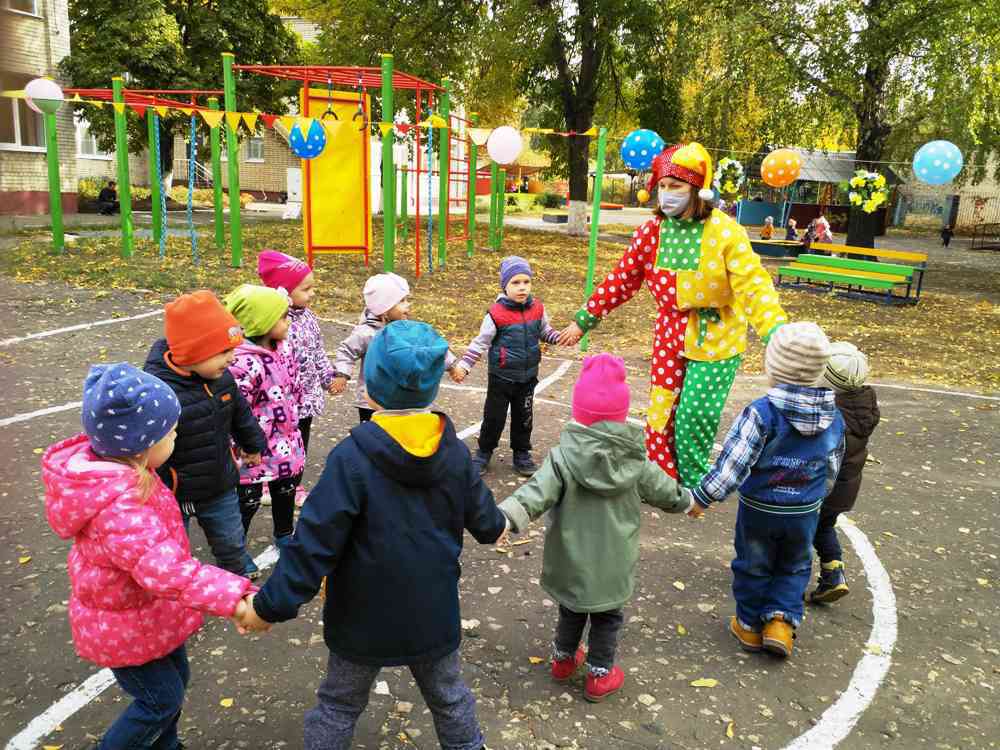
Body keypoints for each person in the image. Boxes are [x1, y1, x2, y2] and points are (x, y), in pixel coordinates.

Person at [234, 320, 508, 750]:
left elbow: (313, 544)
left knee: (340, 704)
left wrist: (270, 606)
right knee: (450, 699)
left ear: (372, 388)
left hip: (362, 617)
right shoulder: (453, 453)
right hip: (431, 612)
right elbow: (488, 522)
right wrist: (503, 523)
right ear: (434, 385)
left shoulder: (352, 459)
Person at [43, 363, 253, 750]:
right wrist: (234, 600)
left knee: (173, 686)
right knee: (159, 700)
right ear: (142, 444)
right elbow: (166, 568)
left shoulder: (130, 471)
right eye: (171, 432)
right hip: (123, 627)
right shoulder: (119, 505)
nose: (177, 437)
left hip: (148, 615)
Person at [556, 143, 788, 488]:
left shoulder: (726, 233)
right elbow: (622, 279)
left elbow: (754, 286)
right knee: (660, 410)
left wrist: (777, 335)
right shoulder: (652, 232)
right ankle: (662, 480)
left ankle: (694, 486)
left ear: (697, 190)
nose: (666, 195)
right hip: (669, 331)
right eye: (662, 186)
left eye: (676, 186)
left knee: (695, 414)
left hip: (717, 334)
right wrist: (583, 320)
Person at [499, 354, 697, 702]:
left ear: (579, 413)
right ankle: (600, 675)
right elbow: (665, 491)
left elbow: (535, 493)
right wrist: (688, 502)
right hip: (614, 562)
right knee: (608, 617)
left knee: (572, 609)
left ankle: (563, 660)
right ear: (621, 415)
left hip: (571, 559)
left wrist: (507, 514)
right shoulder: (636, 461)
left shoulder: (562, 457)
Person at [692, 322, 845, 657]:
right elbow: (832, 466)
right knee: (794, 565)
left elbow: (733, 463)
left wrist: (703, 496)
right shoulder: (834, 416)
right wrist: (819, 496)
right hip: (804, 510)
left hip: (760, 508)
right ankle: (780, 622)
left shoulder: (762, 412)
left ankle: (748, 626)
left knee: (753, 563)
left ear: (772, 366)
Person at [143, 290, 267, 579]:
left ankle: (236, 570)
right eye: (224, 352)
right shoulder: (158, 390)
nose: (232, 359)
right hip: (172, 490)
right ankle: (178, 590)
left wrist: (253, 443)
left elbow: (240, 412)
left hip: (218, 483)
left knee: (230, 539)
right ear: (192, 353)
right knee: (172, 550)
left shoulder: (221, 378)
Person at [451, 256, 563, 477]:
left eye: (526, 282)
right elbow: (480, 342)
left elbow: (545, 332)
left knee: (524, 418)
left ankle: (522, 453)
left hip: (528, 377)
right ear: (505, 285)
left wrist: (561, 337)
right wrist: (464, 365)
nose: (522, 287)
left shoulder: (538, 309)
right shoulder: (495, 314)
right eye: (515, 283)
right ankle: (484, 452)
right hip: (501, 377)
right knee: (494, 417)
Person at [224, 284, 305, 548]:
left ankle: (284, 534)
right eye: (282, 317)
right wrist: (245, 443)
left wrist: (297, 406)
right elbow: (235, 409)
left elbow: (293, 383)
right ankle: (235, 549)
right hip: (253, 447)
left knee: (286, 489)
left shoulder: (282, 348)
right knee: (248, 497)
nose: (288, 321)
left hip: (285, 439)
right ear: (262, 323)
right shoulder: (242, 362)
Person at [258, 250, 336, 506]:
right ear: (284, 291)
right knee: (274, 439)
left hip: (307, 398)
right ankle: (270, 483)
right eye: (306, 289)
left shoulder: (309, 318)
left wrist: (328, 377)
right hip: (282, 400)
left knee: (299, 441)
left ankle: (292, 483)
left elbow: (317, 352)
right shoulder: (273, 322)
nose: (312, 293)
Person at [810, 342, 880, 603]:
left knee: (799, 529)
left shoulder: (829, 412)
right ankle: (833, 574)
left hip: (818, 487)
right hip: (845, 489)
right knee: (824, 527)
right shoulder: (864, 404)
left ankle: (782, 575)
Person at [330, 272, 413, 423]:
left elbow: (429, 349)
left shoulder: (407, 329)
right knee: (373, 440)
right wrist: (341, 374)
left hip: (401, 401)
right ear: (385, 309)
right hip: (371, 403)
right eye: (402, 301)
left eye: (407, 299)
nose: (408, 305)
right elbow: (346, 352)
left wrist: (452, 366)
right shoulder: (366, 333)